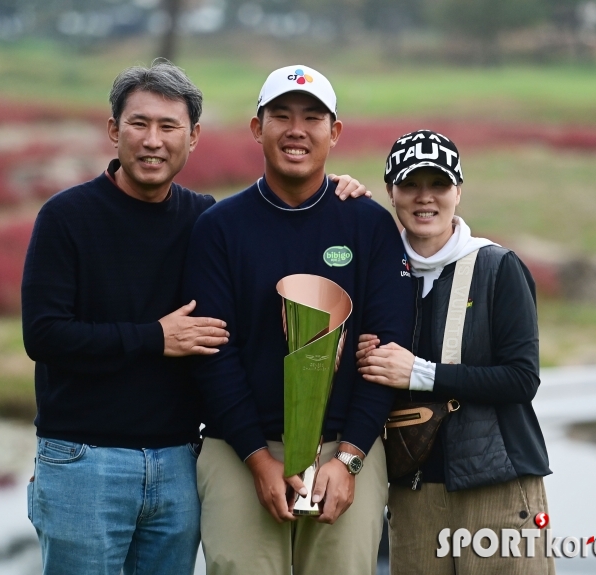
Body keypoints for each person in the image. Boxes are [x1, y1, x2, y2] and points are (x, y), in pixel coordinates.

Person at [21, 60, 367, 575]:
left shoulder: (204, 218)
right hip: (85, 460)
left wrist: (331, 192)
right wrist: (154, 338)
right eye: (139, 124)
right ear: (114, 130)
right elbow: (44, 335)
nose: (153, 141)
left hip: (177, 463)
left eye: (169, 127)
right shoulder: (66, 217)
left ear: (194, 136)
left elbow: (272, 243)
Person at [182, 65, 414, 575]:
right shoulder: (219, 227)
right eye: (280, 115)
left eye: (312, 118)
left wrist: (349, 458)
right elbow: (213, 354)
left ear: (334, 132)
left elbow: (388, 350)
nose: (296, 129)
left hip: (345, 449)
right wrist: (257, 460)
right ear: (256, 127)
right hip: (240, 449)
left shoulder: (368, 223)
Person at [356, 129, 555, 574]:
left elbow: (523, 380)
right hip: (412, 492)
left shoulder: (498, 266)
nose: (424, 198)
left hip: (497, 487)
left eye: (439, 184)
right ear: (391, 191)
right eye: (410, 184)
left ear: (458, 191)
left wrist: (420, 373)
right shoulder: (378, 273)